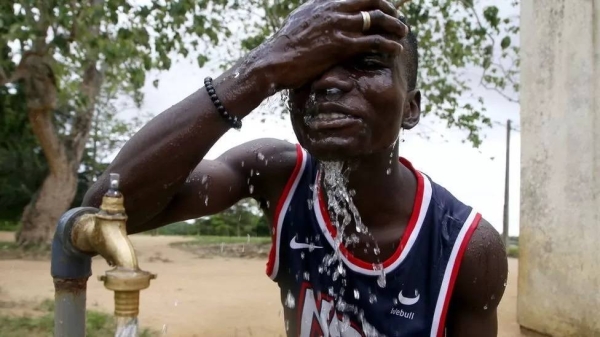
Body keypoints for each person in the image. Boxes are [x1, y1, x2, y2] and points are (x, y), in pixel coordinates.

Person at [83, 1, 508, 336]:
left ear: (410, 107)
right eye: (306, 67)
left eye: (368, 64)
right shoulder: (276, 174)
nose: (326, 83)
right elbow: (107, 209)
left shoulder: (465, 249)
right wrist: (262, 66)